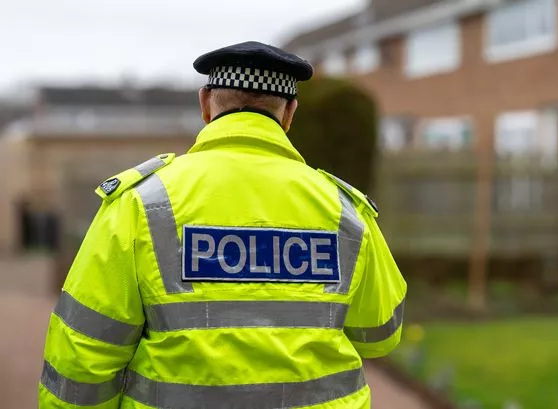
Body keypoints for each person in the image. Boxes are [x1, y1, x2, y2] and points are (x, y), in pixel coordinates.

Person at [39, 41, 407, 409]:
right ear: (290, 112)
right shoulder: (344, 209)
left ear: (205, 103)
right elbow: (379, 334)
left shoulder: (143, 202)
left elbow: (83, 355)